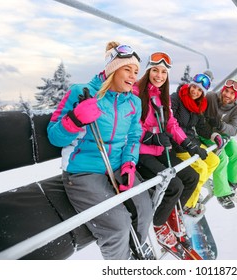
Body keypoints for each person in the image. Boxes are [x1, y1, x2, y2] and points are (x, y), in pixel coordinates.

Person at [47, 41, 153, 259]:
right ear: (112, 68)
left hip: (116, 167)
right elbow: (54, 136)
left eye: (136, 71)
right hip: (83, 171)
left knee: (144, 207)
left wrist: (129, 163)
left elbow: (133, 137)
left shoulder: (133, 102)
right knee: (118, 226)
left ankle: (136, 252)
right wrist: (75, 119)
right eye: (127, 69)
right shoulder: (82, 92)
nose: (133, 76)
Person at [133, 52, 205, 248]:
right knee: (174, 185)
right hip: (142, 153)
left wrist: (190, 145)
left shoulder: (161, 96)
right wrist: (151, 137)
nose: (159, 75)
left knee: (191, 177)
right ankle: (158, 223)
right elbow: (131, 126)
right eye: (155, 70)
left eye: (164, 72)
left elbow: (172, 124)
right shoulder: (136, 93)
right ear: (148, 71)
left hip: (161, 149)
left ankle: (171, 211)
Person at [171, 73, 221, 216]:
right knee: (201, 168)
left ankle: (193, 191)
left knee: (214, 160)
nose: (195, 91)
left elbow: (201, 127)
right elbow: (170, 123)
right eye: (194, 87)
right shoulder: (176, 99)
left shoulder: (198, 105)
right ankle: (187, 204)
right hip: (179, 144)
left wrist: (213, 135)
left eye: (199, 90)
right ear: (189, 85)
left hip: (193, 142)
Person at [196, 78, 237, 209]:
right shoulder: (211, 97)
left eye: (232, 93)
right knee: (220, 158)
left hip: (224, 135)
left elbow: (235, 129)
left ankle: (231, 183)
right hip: (207, 135)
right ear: (223, 90)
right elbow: (198, 110)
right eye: (226, 91)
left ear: (236, 96)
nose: (227, 95)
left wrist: (221, 126)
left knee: (236, 155)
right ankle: (221, 193)